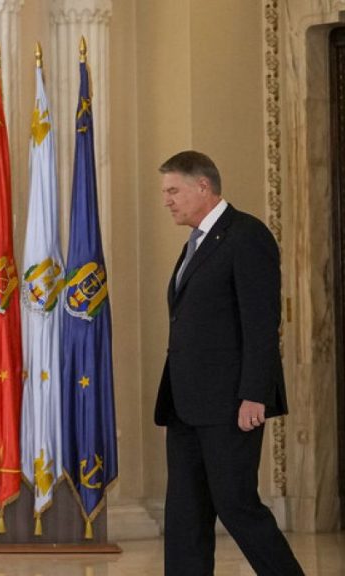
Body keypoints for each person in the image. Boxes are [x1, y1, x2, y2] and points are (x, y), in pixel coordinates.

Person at [154, 151, 303, 575]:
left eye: (173, 191)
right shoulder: (197, 241)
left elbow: (261, 322)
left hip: (230, 405)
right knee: (184, 513)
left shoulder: (246, 235)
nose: (167, 200)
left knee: (237, 505)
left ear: (203, 186)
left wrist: (255, 394)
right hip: (185, 404)